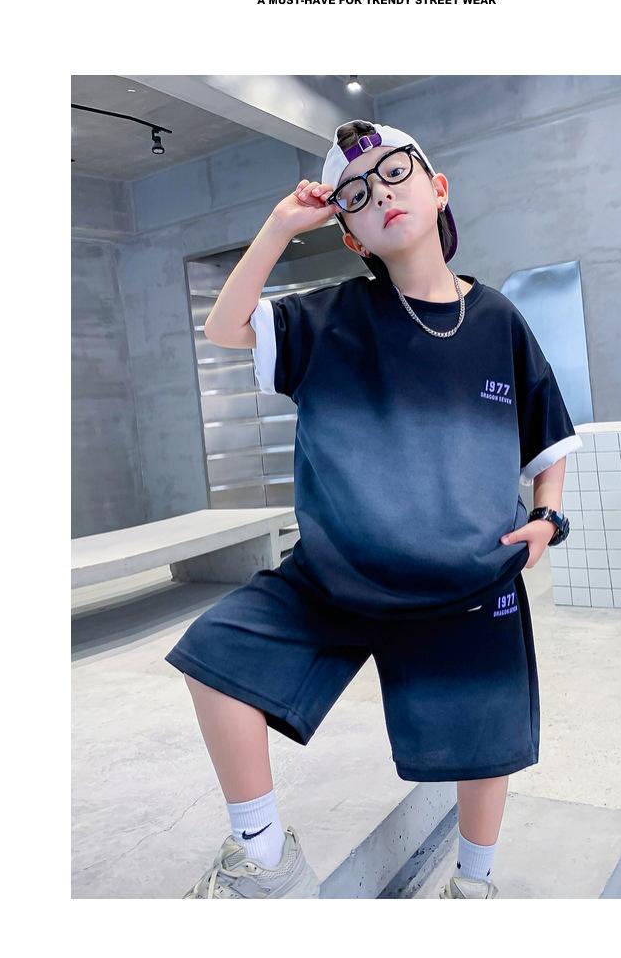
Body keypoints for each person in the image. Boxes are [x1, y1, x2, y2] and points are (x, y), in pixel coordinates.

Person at [165, 119, 582, 899]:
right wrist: (279, 226)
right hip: (336, 576)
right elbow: (226, 326)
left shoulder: (498, 319)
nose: (380, 193)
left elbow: (547, 437)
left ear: (438, 187)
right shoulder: (329, 319)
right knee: (214, 657)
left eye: (395, 173)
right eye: (356, 193)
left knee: (484, 742)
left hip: (468, 580)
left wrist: (548, 518)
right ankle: (264, 859)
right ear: (350, 234)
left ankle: (474, 887)